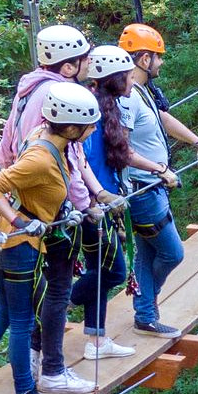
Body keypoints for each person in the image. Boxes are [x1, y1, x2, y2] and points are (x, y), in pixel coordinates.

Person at [0, 25, 126, 394]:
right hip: (48, 211)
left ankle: (36, 363)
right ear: (68, 67)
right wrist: (85, 204)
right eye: (83, 60)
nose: (88, 67)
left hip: (29, 205)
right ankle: (50, 367)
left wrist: (95, 195)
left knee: (40, 294)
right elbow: (65, 158)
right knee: (56, 289)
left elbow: (6, 149)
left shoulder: (28, 90)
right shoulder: (57, 96)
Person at [0, 82, 102, 394]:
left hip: (2, 238)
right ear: (70, 127)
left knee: (5, 312)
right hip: (17, 241)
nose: (93, 129)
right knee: (22, 320)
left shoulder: (49, 140)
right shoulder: (40, 157)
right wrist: (20, 222)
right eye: (88, 125)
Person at [117, 23, 198, 338]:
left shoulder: (142, 91)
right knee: (172, 253)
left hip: (153, 186)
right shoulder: (128, 96)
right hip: (143, 189)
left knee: (150, 253)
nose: (161, 63)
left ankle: (145, 314)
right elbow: (122, 149)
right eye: (158, 58)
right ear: (144, 60)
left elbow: (161, 117)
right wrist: (159, 170)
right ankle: (144, 297)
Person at [73, 45, 138, 361]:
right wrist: (97, 201)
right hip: (94, 209)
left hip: (103, 204)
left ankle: (95, 342)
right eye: (126, 76)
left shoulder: (107, 108)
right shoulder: (91, 114)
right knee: (114, 272)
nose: (131, 81)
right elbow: (86, 162)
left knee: (101, 269)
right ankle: (56, 303)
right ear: (113, 79)